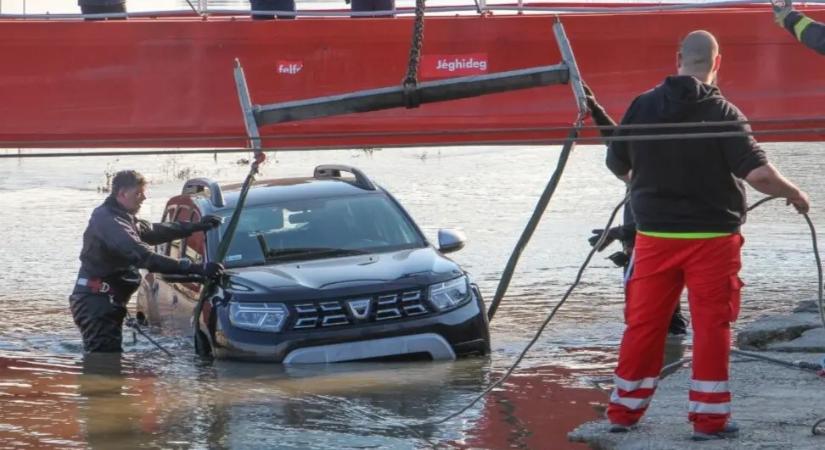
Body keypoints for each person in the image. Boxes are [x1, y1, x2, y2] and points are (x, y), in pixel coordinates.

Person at [601, 30, 810, 440]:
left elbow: (617, 163)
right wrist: (796, 193)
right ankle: (708, 421)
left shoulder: (641, 106)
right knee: (713, 326)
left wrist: (645, 184)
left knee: (644, 326)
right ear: (718, 62)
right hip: (712, 238)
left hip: (655, 236)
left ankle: (623, 413)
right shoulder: (724, 113)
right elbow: (759, 174)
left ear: (678, 57)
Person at [70, 170, 224, 353]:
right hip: (96, 305)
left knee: (109, 363)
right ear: (122, 193)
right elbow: (143, 256)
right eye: (138, 193)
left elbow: (152, 231)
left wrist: (194, 226)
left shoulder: (122, 217)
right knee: (103, 364)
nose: (143, 197)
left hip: (104, 301)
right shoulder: (109, 221)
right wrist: (194, 268)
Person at [584, 84, 689, 336]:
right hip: (637, 250)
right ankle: (670, 359)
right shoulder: (639, 160)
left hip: (654, 250)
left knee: (662, 317)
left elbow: (660, 217)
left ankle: (671, 361)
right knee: (651, 314)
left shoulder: (662, 170)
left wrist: (618, 233)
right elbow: (615, 142)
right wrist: (596, 111)